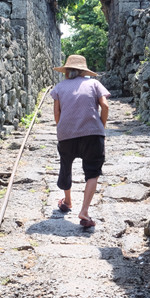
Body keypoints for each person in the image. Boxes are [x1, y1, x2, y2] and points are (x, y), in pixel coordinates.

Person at [50, 55, 110, 228]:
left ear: (67, 71)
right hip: (92, 134)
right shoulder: (94, 84)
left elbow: (57, 114)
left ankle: (68, 201)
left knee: (65, 165)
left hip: (66, 134)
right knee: (92, 171)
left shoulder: (59, 88)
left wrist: (63, 129)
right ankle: (84, 211)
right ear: (84, 71)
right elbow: (105, 106)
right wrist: (101, 126)